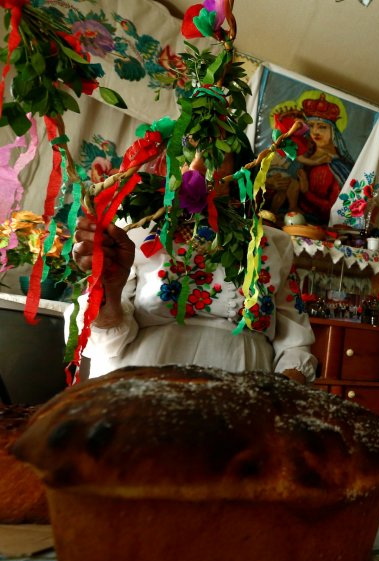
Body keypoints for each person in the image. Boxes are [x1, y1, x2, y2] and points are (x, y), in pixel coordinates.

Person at [69, 154, 317, 384]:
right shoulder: (134, 231)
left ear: (241, 171)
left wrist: (274, 405)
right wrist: (109, 286)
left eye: (213, 157)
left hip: (241, 405)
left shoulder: (272, 243)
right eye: (187, 156)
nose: (196, 169)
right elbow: (101, 344)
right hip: (139, 396)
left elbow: (295, 345)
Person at [296, 91, 354, 225]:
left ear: (333, 132)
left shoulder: (339, 166)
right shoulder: (303, 158)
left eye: (322, 127)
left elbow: (337, 211)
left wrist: (306, 192)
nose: (315, 131)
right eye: (310, 126)